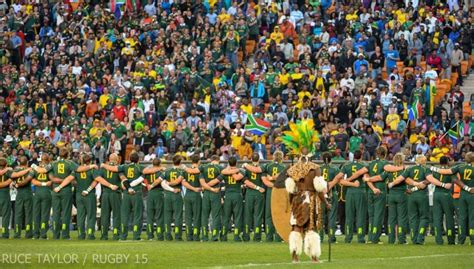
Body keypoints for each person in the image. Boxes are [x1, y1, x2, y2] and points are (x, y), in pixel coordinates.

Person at [285, 155, 328, 263]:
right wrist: (326, 202)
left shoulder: (293, 169)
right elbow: (319, 188)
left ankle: (294, 257)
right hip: (310, 200)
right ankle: (314, 257)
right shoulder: (315, 168)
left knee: (296, 228)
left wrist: (291, 203)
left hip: (297, 199)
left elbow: (290, 190)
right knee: (311, 227)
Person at [49, 148, 96, 240]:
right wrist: (92, 166)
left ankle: (55, 235)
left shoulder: (53, 163)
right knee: (66, 213)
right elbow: (79, 169)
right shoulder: (70, 163)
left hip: (55, 190)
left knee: (56, 213)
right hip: (66, 190)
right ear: (68, 155)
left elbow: (48, 175)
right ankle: (65, 235)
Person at [431, 152, 474, 245]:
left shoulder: (459, 167)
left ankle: (447, 240)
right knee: (466, 218)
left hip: (443, 194)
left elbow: (430, 179)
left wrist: (432, 168)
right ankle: (467, 239)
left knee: (458, 218)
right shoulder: (457, 168)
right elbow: (454, 179)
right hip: (454, 195)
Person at [101, 151, 145, 241]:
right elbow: (147, 171)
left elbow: (110, 172)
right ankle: (134, 236)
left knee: (123, 215)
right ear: (139, 159)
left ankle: (119, 236)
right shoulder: (139, 167)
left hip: (119, 194)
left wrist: (104, 165)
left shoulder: (123, 167)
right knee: (136, 215)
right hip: (132, 193)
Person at [391, 155, 430, 245]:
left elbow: (400, 179)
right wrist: (422, 183)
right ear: (423, 161)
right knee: (424, 217)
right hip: (422, 195)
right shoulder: (426, 169)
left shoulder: (409, 169)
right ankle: (420, 238)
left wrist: (392, 184)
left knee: (413, 218)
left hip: (411, 196)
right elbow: (430, 180)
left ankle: (413, 238)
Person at [335, 150, 368, 243]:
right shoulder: (364, 166)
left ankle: (348, 237)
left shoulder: (346, 166)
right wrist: (356, 184)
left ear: (353, 157)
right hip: (361, 191)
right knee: (360, 215)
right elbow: (366, 178)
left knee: (349, 215)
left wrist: (350, 183)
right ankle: (361, 238)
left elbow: (340, 180)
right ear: (361, 156)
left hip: (349, 192)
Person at [426, 156, 455, 245]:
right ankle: (451, 240)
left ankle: (438, 240)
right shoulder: (450, 170)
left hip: (436, 194)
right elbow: (453, 182)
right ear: (447, 161)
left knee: (437, 218)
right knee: (449, 217)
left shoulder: (434, 170)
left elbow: (429, 179)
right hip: (446, 195)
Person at [94, 153, 121, 240]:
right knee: (117, 215)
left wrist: (109, 185)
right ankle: (116, 235)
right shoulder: (119, 168)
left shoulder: (103, 168)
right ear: (117, 159)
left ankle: (104, 235)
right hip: (115, 194)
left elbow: (98, 178)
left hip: (105, 194)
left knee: (105, 215)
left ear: (109, 159)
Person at [219, 156, 245, 242]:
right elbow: (238, 178)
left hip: (228, 195)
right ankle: (236, 236)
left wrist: (229, 170)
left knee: (226, 217)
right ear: (236, 163)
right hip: (237, 194)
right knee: (237, 217)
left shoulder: (225, 172)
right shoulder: (241, 171)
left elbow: (220, 175)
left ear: (228, 163)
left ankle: (223, 236)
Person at [73, 154, 99, 240]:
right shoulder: (92, 169)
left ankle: (81, 235)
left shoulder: (77, 169)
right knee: (91, 215)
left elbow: (73, 180)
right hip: (89, 195)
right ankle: (90, 235)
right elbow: (96, 181)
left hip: (79, 195)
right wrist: (88, 190)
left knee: (80, 216)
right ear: (90, 161)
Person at [262, 151, 285, 242]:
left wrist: (271, 178)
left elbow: (264, 179)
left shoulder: (267, 166)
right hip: (279, 191)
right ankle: (278, 237)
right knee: (278, 214)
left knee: (268, 215)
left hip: (269, 191)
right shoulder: (283, 167)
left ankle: (268, 237)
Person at [242, 153, 265, 242]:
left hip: (249, 193)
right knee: (258, 216)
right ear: (259, 159)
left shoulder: (246, 169)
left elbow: (246, 181)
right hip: (259, 193)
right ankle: (257, 237)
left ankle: (246, 236)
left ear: (251, 159)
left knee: (247, 215)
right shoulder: (262, 168)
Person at [161, 155, 185, 241]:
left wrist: (168, 185)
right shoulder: (182, 171)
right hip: (177, 194)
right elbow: (178, 181)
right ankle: (178, 236)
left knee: (167, 216)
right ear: (180, 162)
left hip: (167, 194)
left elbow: (162, 183)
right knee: (178, 216)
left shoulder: (167, 171)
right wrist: (173, 188)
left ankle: (167, 235)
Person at [199, 155, 223, 242]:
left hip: (206, 193)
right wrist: (212, 188)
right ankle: (214, 236)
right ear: (217, 160)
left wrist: (205, 187)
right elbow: (218, 180)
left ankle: (204, 236)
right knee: (216, 215)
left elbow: (202, 183)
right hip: (215, 193)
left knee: (204, 215)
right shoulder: (220, 168)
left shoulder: (203, 168)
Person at [30, 153, 53, 239]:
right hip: (46, 192)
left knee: (36, 214)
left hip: (37, 192)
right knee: (45, 214)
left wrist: (40, 183)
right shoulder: (50, 166)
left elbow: (32, 181)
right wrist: (45, 183)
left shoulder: (35, 168)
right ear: (48, 159)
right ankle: (43, 234)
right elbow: (51, 181)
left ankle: (36, 234)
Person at [10, 156, 33, 239]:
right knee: (28, 214)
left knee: (18, 214)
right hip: (28, 192)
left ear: (19, 162)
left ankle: (17, 233)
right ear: (27, 162)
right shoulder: (30, 170)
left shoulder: (15, 170)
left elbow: (11, 179)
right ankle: (28, 233)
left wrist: (15, 184)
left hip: (19, 193)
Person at [182, 155, 202, 241]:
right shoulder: (200, 171)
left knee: (188, 217)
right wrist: (195, 188)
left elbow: (183, 182)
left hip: (188, 194)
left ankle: (188, 236)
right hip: (196, 194)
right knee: (197, 216)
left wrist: (191, 188)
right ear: (199, 161)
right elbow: (202, 183)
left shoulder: (186, 171)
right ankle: (196, 236)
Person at [321, 152, 339, 243]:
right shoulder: (335, 168)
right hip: (332, 193)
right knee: (332, 216)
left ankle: (320, 237)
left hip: (320, 194)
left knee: (321, 216)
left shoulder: (319, 169)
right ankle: (331, 237)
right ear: (331, 159)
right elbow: (339, 180)